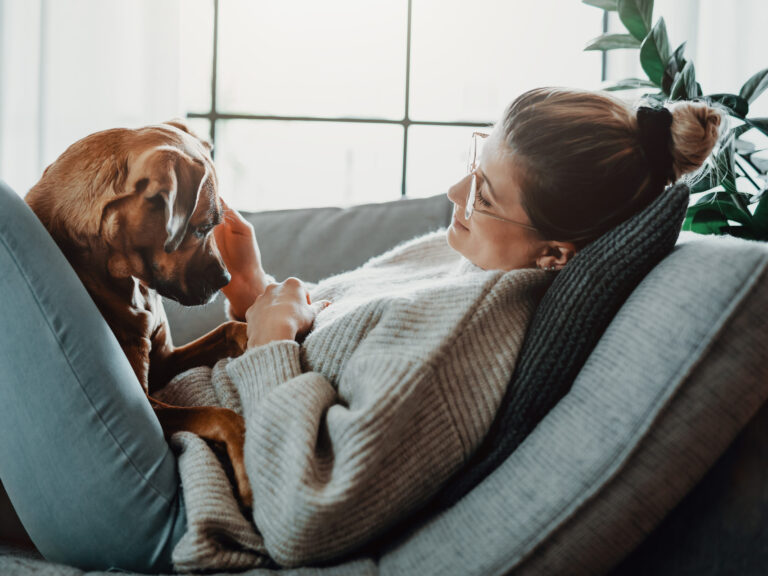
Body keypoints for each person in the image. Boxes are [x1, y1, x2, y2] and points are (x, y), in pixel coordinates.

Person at [0, 87, 721, 573]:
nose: (453, 194)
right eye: (476, 161)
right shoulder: (455, 260)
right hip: (162, 426)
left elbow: (306, 511)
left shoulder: (470, 333)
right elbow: (317, 366)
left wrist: (274, 342)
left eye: (487, 192)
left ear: (556, 254)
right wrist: (253, 296)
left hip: (161, 500)